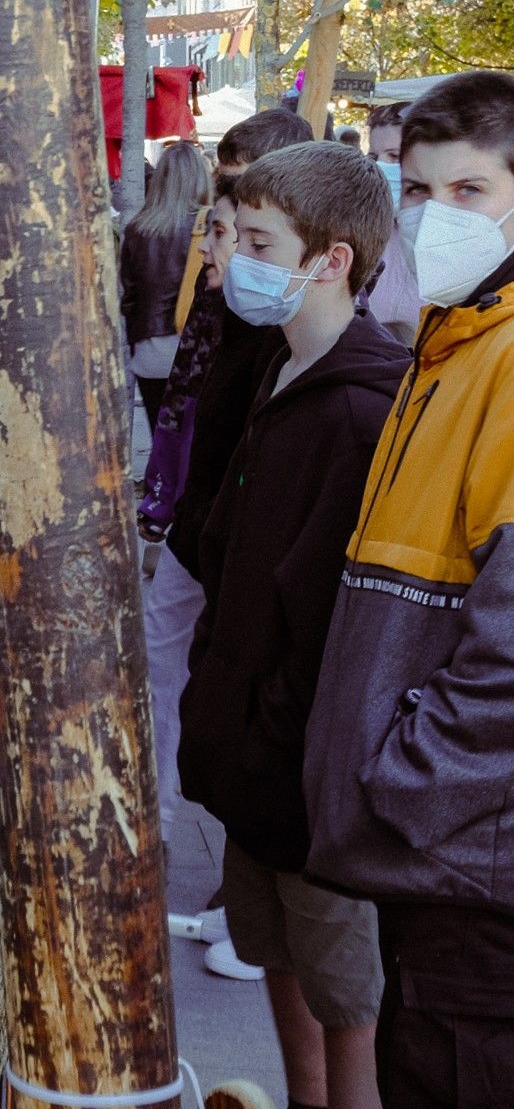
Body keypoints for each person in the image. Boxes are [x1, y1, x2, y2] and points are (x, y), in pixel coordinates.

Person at [303, 70, 514, 1106]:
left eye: (467, 191)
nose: (435, 218)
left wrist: (410, 785)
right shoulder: (449, 341)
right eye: (416, 191)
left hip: (471, 866)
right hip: (435, 859)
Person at [180, 141, 405, 1109]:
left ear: (330, 259)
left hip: (310, 777)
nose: (230, 261)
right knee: (271, 951)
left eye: (258, 240)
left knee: (344, 992)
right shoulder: (270, 366)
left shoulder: (361, 412)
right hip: (249, 758)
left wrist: (274, 743)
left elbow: (328, 622)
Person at [139, 109, 316, 837]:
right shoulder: (230, 307)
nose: (220, 247)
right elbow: (190, 411)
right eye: (219, 227)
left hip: (232, 537)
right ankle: (169, 814)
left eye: (247, 231)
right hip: (199, 522)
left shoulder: (297, 337)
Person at [121, 142, 212, 429]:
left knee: (160, 440)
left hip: (149, 352)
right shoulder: (210, 225)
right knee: (191, 446)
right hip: (195, 351)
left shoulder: (137, 229)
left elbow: (129, 297)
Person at [364, 103, 422, 346]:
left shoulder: (452, 234)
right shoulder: (363, 225)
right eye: (374, 157)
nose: (381, 167)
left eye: (394, 156)